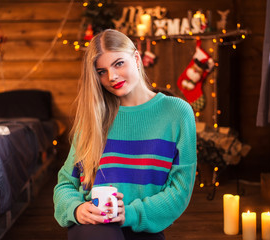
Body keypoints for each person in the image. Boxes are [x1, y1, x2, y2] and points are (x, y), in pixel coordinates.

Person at [53, 29, 197, 240]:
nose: (111, 77)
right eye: (101, 71)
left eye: (118, 63)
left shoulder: (177, 113)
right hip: (94, 227)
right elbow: (65, 183)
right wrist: (76, 209)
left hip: (144, 226)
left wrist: (129, 214)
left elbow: (179, 191)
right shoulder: (93, 118)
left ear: (136, 58)